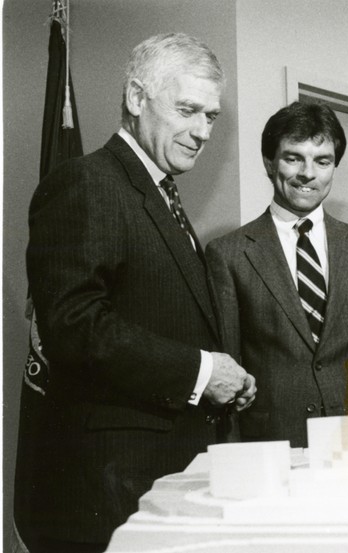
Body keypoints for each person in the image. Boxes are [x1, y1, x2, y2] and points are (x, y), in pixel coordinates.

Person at [25, 33, 256, 552]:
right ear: (135, 98)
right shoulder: (88, 183)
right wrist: (201, 372)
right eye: (188, 110)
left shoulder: (159, 194)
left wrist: (223, 377)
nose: (201, 132)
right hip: (114, 485)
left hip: (166, 477)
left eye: (211, 117)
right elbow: (75, 327)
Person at [207, 101, 348, 447]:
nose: (308, 173)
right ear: (269, 162)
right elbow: (229, 375)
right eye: (293, 158)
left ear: (333, 167)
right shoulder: (228, 254)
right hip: (273, 444)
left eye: (322, 161)